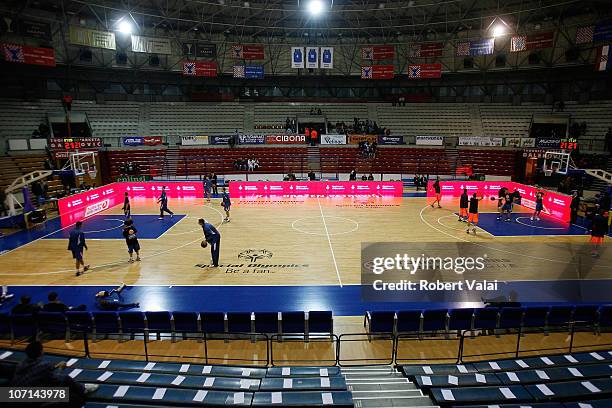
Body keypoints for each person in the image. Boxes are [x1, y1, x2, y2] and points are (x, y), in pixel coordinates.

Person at [11, 341, 98, 407]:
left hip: (15, 395)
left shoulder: (20, 364)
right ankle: (83, 390)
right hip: (33, 398)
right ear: (41, 352)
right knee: (66, 380)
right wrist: (60, 369)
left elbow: (36, 370)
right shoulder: (44, 365)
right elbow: (56, 380)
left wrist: (55, 366)